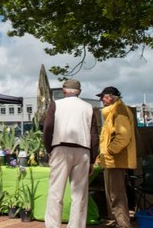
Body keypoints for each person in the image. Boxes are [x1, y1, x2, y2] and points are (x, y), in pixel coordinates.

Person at [42, 79, 98, 228]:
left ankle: (53, 226)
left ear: (64, 90)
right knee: (79, 195)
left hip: (60, 148)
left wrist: (49, 150)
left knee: (56, 192)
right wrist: (92, 159)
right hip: (83, 150)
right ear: (79, 92)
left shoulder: (56, 104)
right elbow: (94, 136)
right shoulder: (89, 108)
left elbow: (47, 129)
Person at [96, 86, 136, 228]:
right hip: (114, 159)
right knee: (116, 194)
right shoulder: (115, 111)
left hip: (116, 160)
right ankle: (121, 223)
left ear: (111, 97)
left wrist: (109, 152)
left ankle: (123, 224)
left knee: (117, 195)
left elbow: (123, 137)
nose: (101, 99)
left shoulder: (118, 111)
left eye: (103, 97)